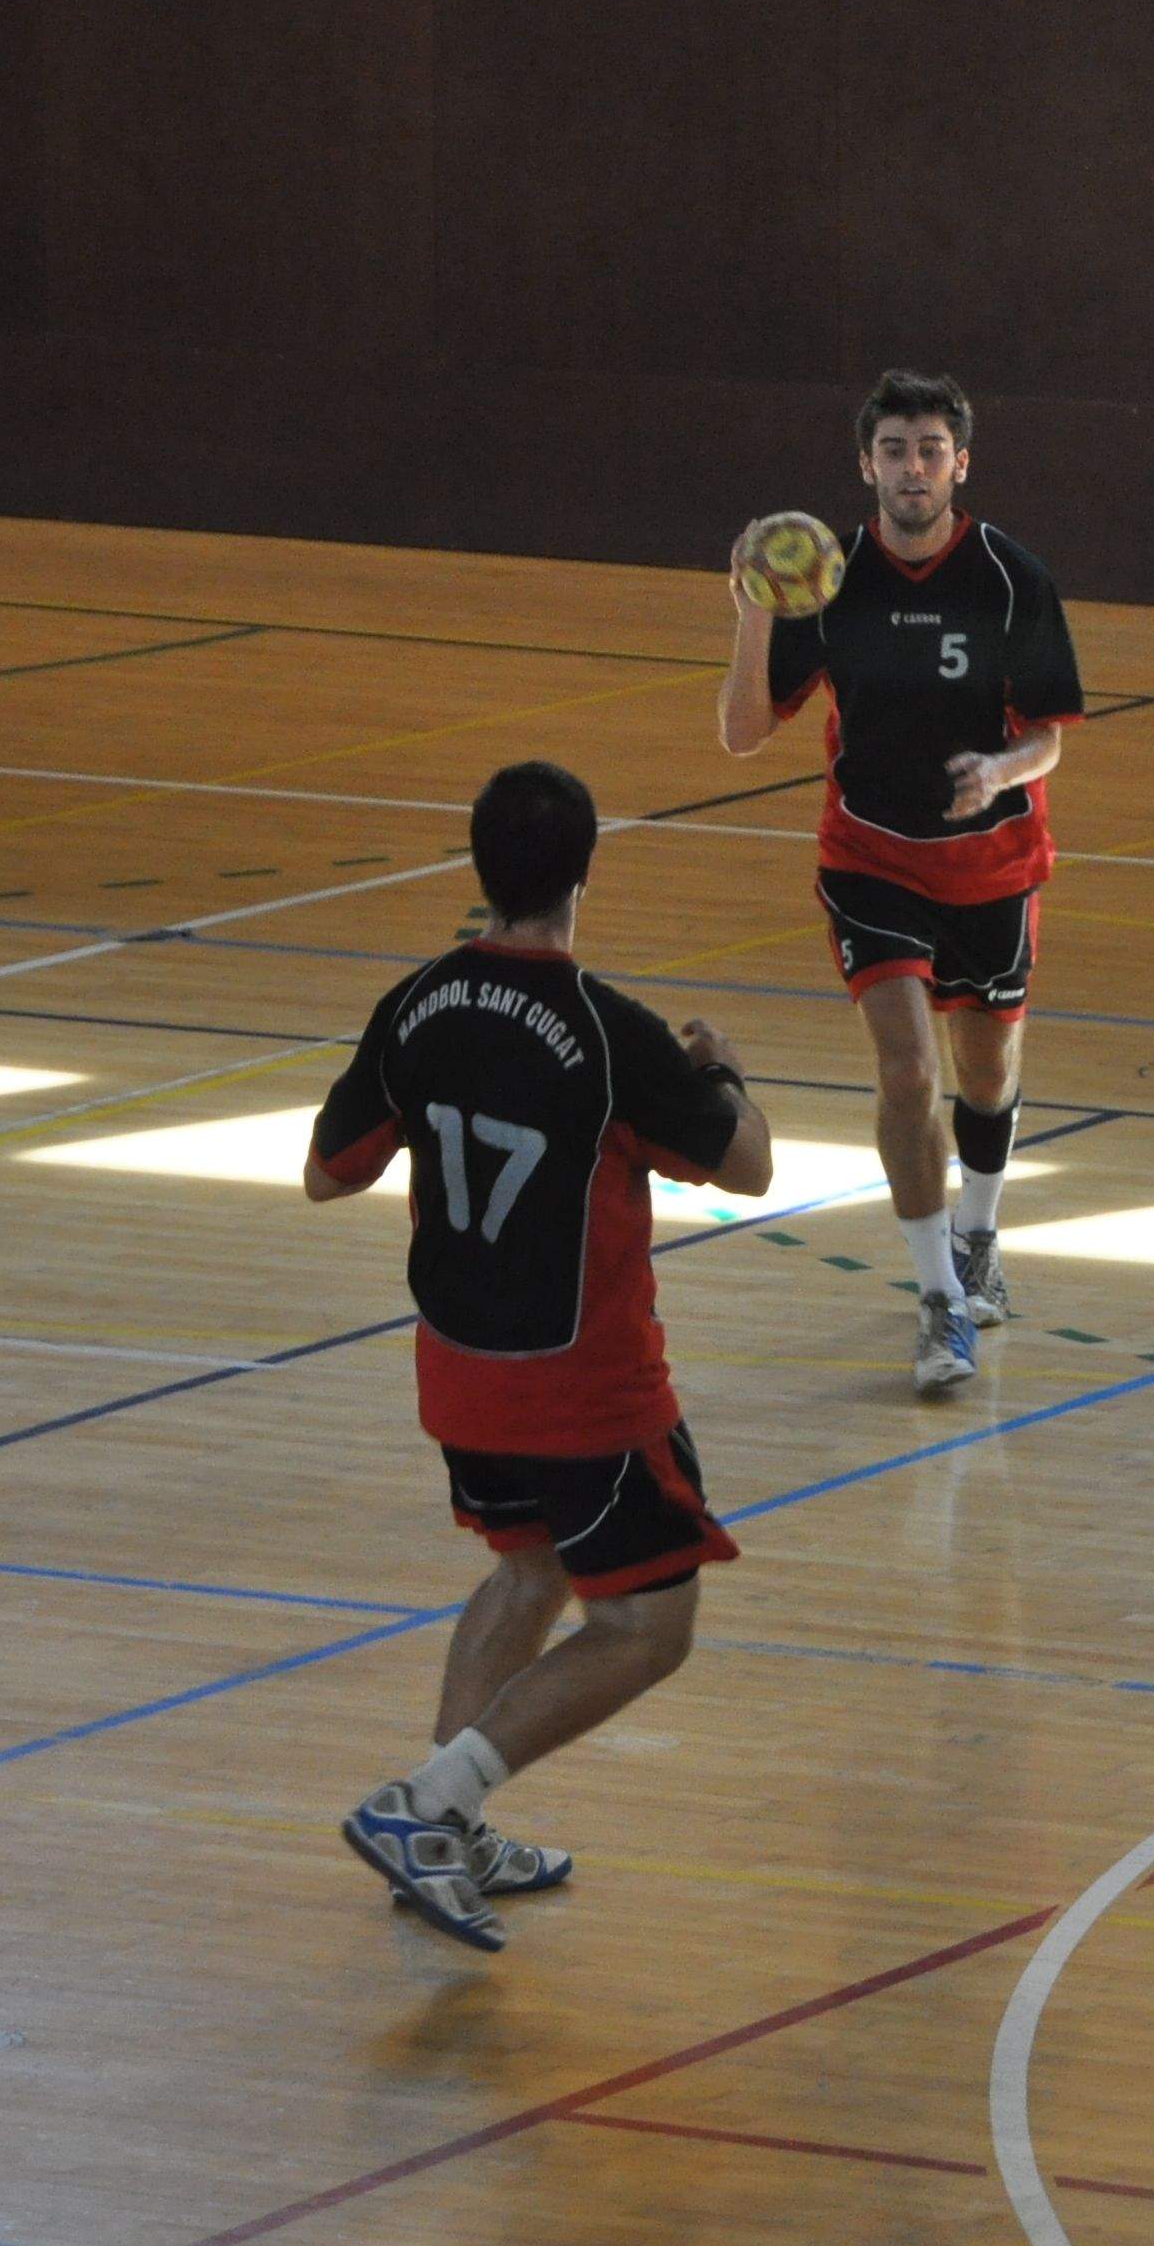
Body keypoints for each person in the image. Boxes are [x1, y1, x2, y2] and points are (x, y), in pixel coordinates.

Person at [308, 760, 775, 1950]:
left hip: (459, 1374)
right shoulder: (609, 1034)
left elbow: (328, 1173)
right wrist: (720, 1068)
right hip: (588, 1394)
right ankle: (429, 1803)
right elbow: (750, 1165)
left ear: (476, 866)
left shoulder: (412, 1006)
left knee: (528, 1574)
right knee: (649, 1630)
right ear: (584, 873)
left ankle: (446, 1837)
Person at [715, 370, 1084, 1397]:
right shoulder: (829, 582)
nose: (911, 468)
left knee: (985, 1073)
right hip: (868, 857)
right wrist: (751, 613)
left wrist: (1000, 770)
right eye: (893, 450)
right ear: (865, 463)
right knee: (908, 1075)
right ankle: (938, 1302)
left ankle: (976, 1235)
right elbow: (743, 734)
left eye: (930, 450)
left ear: (959, 465)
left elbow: (1049, 734)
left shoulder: (1012, 579)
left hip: (994, 864)